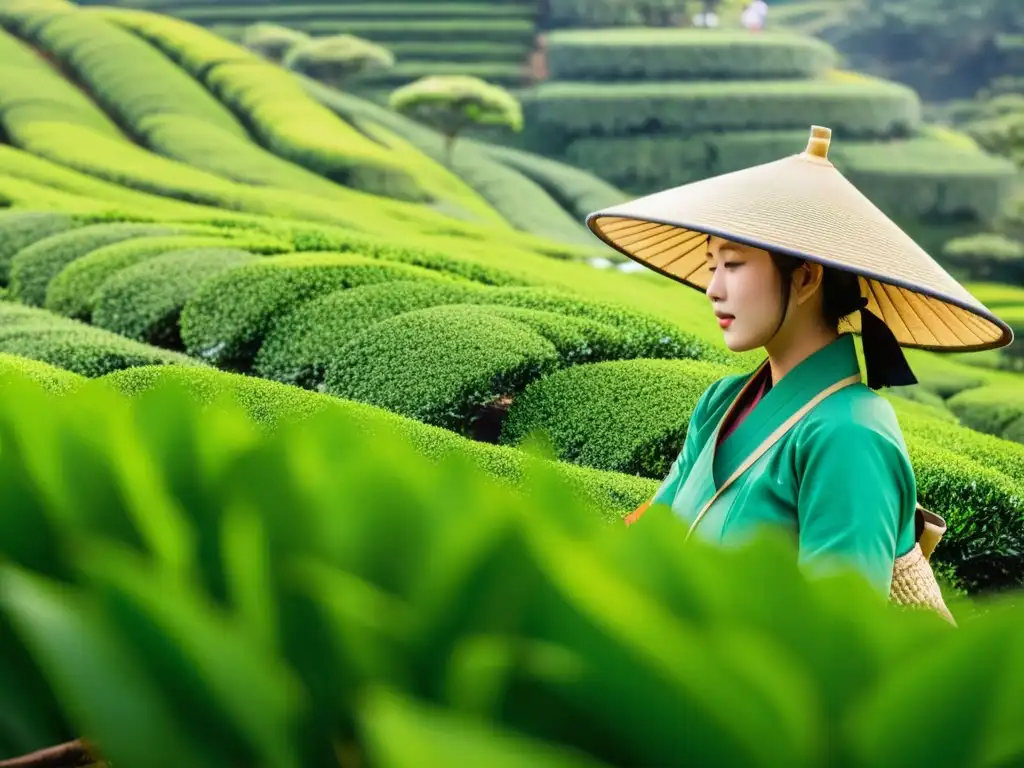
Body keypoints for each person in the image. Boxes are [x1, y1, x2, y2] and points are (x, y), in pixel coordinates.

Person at [585, 125, 1013, 608]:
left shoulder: (850, 433)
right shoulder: (720, 403)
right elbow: (649, 539)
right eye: (711, 265)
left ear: (805, 277)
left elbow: (836, 635)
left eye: (734, 265)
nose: (713, 288)